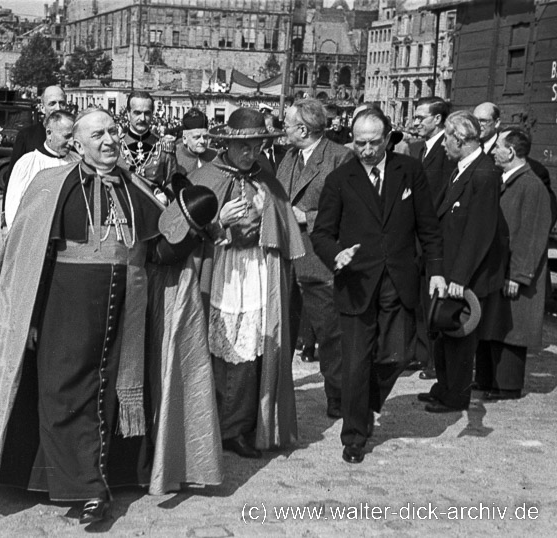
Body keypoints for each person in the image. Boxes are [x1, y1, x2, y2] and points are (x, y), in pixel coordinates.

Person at [0, 109, 220, 524]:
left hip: (127, 311)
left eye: (113, 132)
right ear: (77, 143)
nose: (109, 140)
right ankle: (86, 488)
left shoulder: (135, 186)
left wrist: (192, 226)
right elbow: (28, 260)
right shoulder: (51, 185)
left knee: (112, 393)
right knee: (66, 394)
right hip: (65, 308)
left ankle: (108, 477)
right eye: (98, 134)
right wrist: (28, 319)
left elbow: (159, 251)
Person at [311, 108, 446, 464]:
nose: (367, 150)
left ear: (387, 138)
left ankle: (366, 402)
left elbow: (429, 227)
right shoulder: (340, 179)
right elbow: (321, 233)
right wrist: (336, 255)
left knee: (399, 355)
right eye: (359, 143)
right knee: (356, 362)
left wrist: (437, 270)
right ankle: (354, 436)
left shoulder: (410, 171)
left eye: (373, 142)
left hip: (399, 279)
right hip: (356, 282)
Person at [189, 107, 305, 459]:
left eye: (256, 146)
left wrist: (266, 209)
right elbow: (185, 232)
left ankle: (239, 426)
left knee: (252, 346)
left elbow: (282, 225)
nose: (249, 153)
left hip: (256, 269)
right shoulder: (207, 176)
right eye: (242, 146)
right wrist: (216, 223)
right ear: (225, 144)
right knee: (215, 346)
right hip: (218, 269)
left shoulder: (265, 176)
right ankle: (211, 422)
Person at [418, 111, 504, 413]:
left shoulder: (483, 174)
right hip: (449, 269)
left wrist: (460, 276)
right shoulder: (463, 169)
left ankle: (455, 397)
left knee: (459, 337)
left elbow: (478, 232)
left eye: (447, 139)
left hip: (464, 275)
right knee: (443, 331)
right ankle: (443, 388)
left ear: (460, 139)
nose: (443, 145)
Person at [277, 99, 353, 419]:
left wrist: (308, 215)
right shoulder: (289, 157)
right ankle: (277, 391)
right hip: (285, 258)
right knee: (283, 330)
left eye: (287, 123)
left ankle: (338, 395)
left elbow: (353, 209)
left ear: (303, 129)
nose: (283, 128)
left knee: (330, 333)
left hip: (319, 261)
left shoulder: (340, 158)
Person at [476, 128, 551, 401]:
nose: (493, 151)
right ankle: (487, 380)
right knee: (495, 326)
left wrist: (518, 276)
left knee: (511, 330)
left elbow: (530, 236)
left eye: (497, 146)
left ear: (511, 151)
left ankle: (506, 386)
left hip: (513, 274)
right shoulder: (508, 180)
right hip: (500, 269)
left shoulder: (530, 186)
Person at [407, 96, 456, 377]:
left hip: (431, 234)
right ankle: (421, 353)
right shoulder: (422, 149)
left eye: (420, 118)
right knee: (418, 297)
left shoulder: (446, 151)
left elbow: (440, 196)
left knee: (433, 297)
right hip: (417, 233)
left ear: (437, 119)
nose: (415, 123)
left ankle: (434, 360)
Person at [3, 110, 79, 229]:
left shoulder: (78, 161)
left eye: (74, 137)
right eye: (67, 136)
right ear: (49, 133)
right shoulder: (27, 164)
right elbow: (14, 207)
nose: (71, 142)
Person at [119, 91, 177, 203]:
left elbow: (172, 181)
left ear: (152, 115)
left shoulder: (163, 148)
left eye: (147, 113)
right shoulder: (117, 147)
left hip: (153, 208)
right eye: (137, 113)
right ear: (128, 113)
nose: (142, 118)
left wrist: (166, 196)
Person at [9, 86, 67, 167]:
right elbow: (14, 173)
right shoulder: (26, 136)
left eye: (62, 103)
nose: (58, 108)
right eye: (52, 104)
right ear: (42, 108)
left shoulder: (74, 137)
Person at [175, 108, 216, 175]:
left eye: (205, 137)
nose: (202, 141)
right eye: (197, 137)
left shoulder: (215, 157)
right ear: (185, 139)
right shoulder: (174, 158)